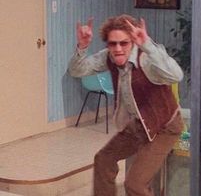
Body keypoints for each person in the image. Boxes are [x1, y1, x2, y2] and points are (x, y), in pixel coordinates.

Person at [68, 14, 184, 196]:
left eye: (124, 43)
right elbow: (77, 71)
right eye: (113, 43)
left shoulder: (145, 59)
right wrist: (82, 47)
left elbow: (176, 75)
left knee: (134, 185)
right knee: (103, 160)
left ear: (133, 43)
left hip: (165, 127)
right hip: (139, 125)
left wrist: (147, 45)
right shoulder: (108, 57)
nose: (118, 48)